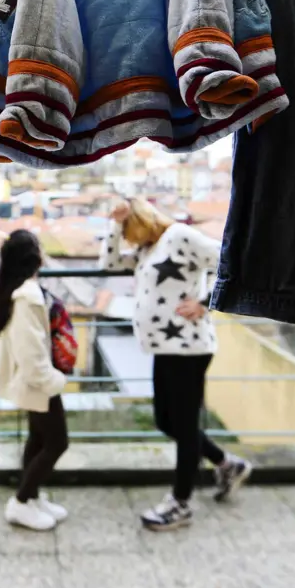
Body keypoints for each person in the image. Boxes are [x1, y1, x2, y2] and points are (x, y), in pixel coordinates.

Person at [100, 199, 252, 531]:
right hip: (164, 348)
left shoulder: (180, 236)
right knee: (166, 421)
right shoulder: (148, 249)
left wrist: (205, 303)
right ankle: (227, 464)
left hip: (189, 349)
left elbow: (233, 261)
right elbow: (109, 263)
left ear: (143, 221)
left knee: (184, 426)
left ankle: (180, 503)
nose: (129, 239)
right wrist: (115, 223)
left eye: (130, 230)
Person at [0, 229, 69, 531]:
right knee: (57, 442)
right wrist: (54, 381)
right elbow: (31, 354)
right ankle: (20, 502)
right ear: (34, 258)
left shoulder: (12, 288)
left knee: (39, 438)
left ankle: (31, 498)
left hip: (32, 380)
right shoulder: (28, 297)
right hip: (37, 381)